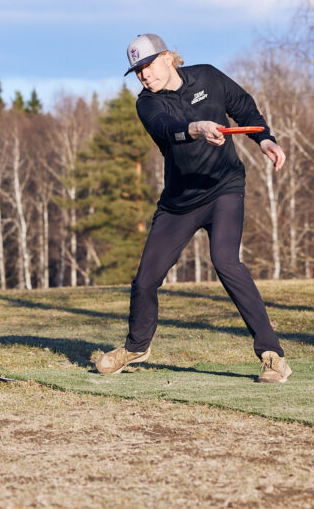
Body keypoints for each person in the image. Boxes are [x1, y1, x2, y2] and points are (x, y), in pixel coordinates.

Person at [94, 33, 291, 383]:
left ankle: (272, 355)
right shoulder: (147, 104)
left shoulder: (208, 77)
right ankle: (137, 347)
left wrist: (265, 138)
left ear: (168, 58)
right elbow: (167, 129)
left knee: (226, 262)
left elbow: (243, 106)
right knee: (144, 281)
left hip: (223, 188)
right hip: (179, 203)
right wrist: (198, 127)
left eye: (148, 65)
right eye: (137, 71)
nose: (144, 75)